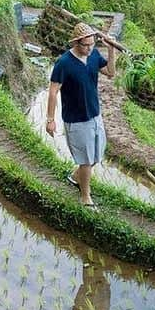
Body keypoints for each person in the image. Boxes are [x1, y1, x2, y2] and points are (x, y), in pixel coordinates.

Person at [45, 21, 116, 207]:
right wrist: (50, 119)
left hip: (94, 114)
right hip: (76, 120)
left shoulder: (93, 56)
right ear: (76, 43)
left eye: (92, 44)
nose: (90, 48)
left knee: (96, 155)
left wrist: (110, 50)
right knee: (86, 161)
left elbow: (110, 72)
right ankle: (85, 196)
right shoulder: (64, 63)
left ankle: (76, 177)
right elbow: (53, 91)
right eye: (86, 45)